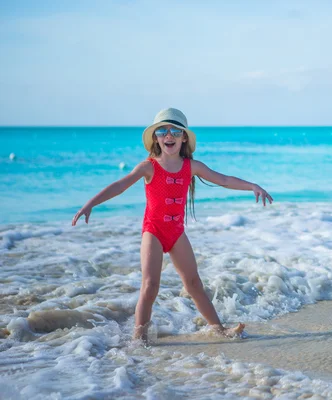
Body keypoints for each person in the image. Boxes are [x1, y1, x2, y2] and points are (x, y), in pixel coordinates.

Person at [72, 108, 273, 342]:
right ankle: (140, 338)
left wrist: (253, 186)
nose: (169, 134)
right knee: (150, 285)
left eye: (175, 130)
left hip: (176, 233)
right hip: (153, 231)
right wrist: (91, 204)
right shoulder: (148, 166)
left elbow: (224, 180)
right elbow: (120, 185)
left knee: (194, 282)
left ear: (183, 137)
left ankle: (218, 329)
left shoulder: (192, 166)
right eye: (162, 130)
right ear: (156, 137)